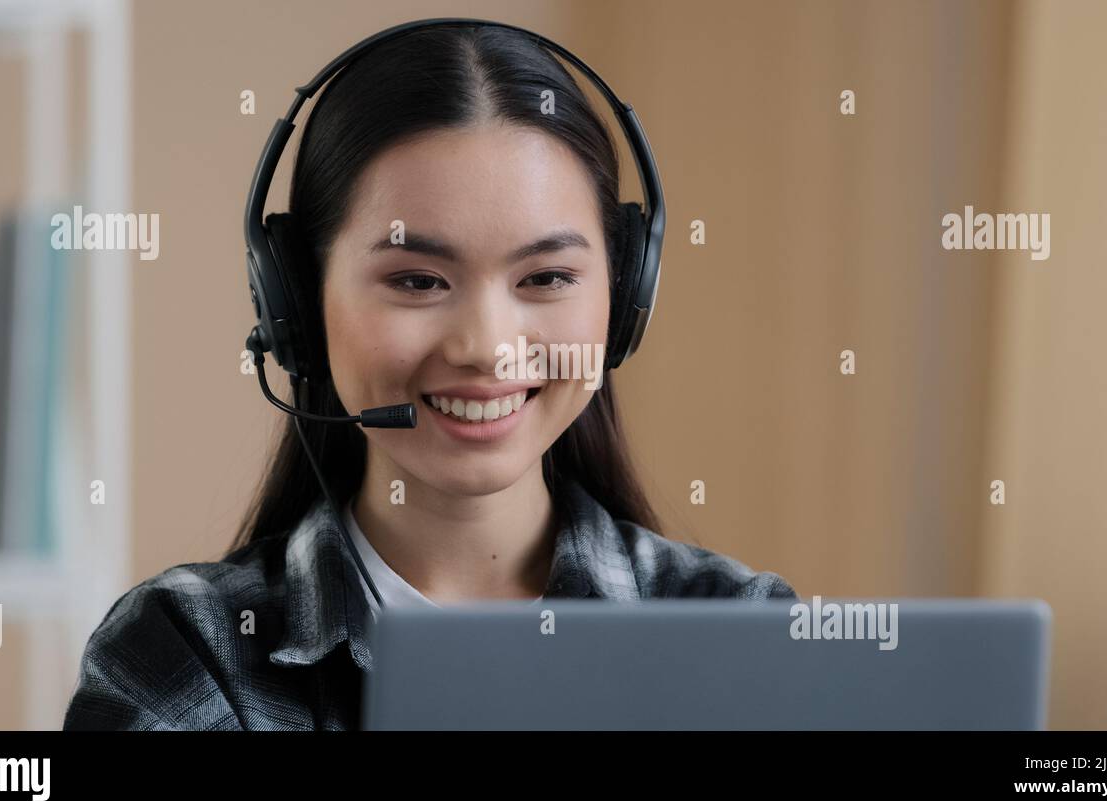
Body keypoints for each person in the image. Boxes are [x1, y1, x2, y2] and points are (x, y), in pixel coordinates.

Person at [63, 22, 795, 731]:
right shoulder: (186, 654)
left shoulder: (748, 635)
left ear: (625, 294)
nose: (485, 347)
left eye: (545, 276)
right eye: (417, 281)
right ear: (298, 301)